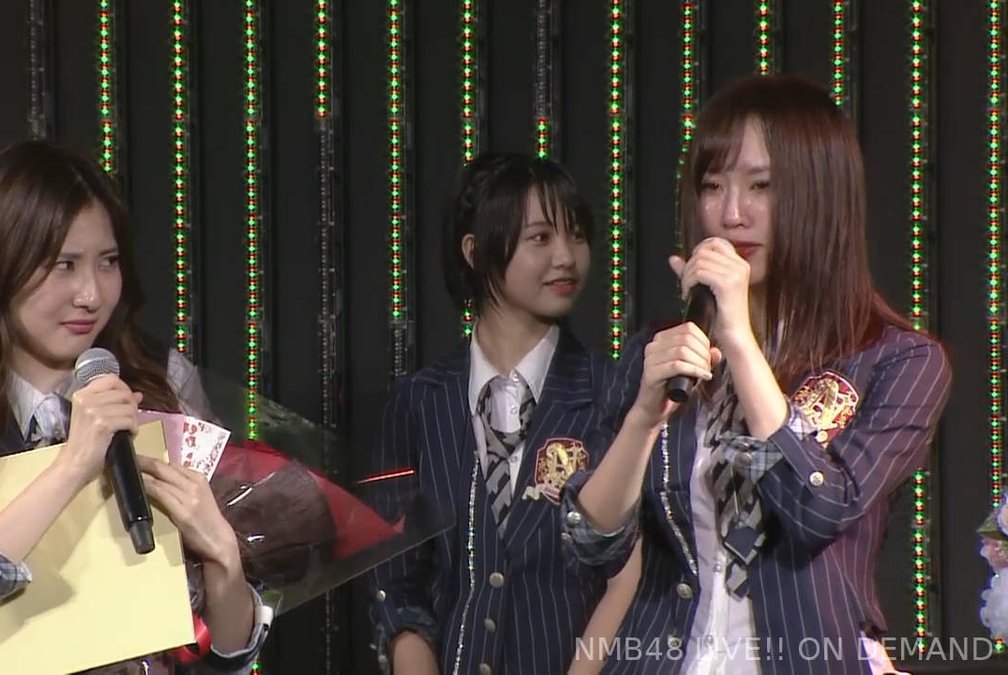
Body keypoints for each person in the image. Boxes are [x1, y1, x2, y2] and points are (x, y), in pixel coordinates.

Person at [561, 74, 952, 674]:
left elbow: (815, 512)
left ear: (822, 196)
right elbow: (592, 547)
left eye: (761, 186)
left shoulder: (898, 361)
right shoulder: (664, 351)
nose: (731, 213)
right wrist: (642, 418)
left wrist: (740, 341)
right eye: (712, 186)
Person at [0, 141, 270, 674]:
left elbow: (230, 656)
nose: (91, 295)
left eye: (108, 262)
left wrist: (224, 555)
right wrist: (74, 463)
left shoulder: (164, 383)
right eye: (64, 265)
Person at [368, 151, 641, 675]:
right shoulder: (419, 402)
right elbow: (395, 579)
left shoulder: (616, 395)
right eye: (541, 238)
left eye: (576, 235)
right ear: (475, 251)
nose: (566, 257)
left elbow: (631, 577)